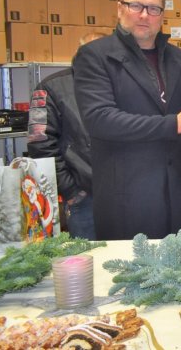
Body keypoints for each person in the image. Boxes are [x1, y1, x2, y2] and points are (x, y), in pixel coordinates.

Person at [73, 0, 181, 240]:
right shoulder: (95, 56)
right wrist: (172, 125)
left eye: (153, 8)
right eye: (136, 6)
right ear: (120, 8)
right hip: (127, 197)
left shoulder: (179, 59)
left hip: (178, 194)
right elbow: (100, 119)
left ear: (162, 15)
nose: (145, 14)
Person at [27, 32, 106, 240]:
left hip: (123, 194)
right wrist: (70, 191)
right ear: (79, 53)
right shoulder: (50, 87)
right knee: (89, 263)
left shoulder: (120, 84)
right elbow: (39, 143)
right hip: (84, 197)